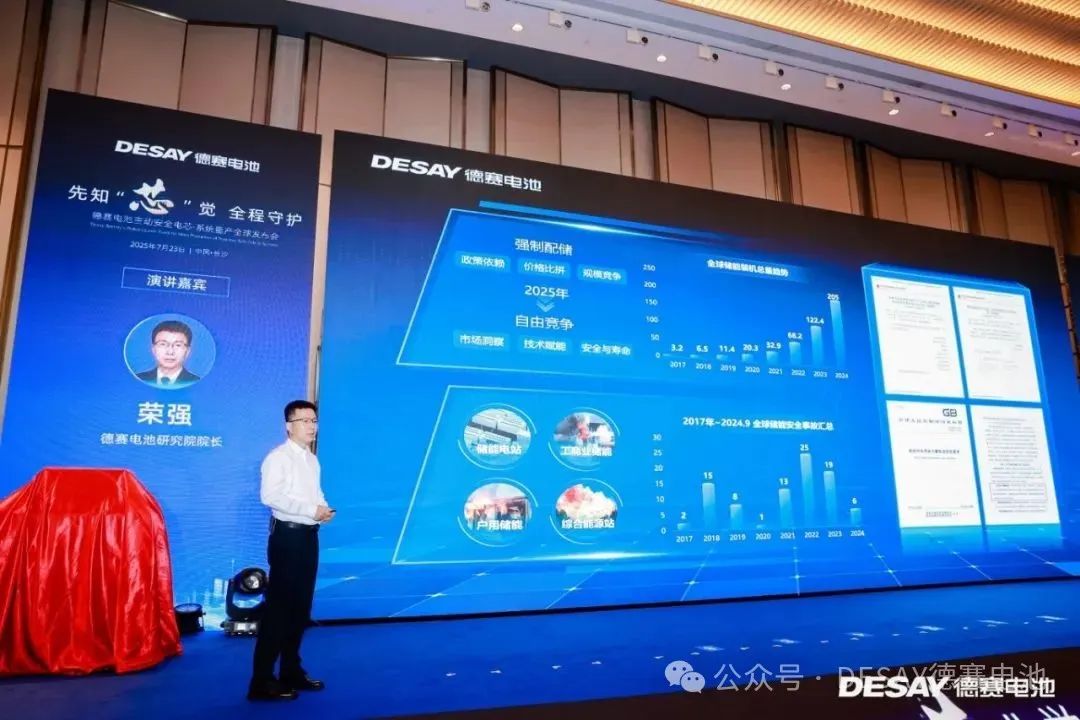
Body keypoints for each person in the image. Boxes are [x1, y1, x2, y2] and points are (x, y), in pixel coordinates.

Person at [248, 400, 334, 702]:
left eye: (314, 421)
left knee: (300, 608)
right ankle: (261, 681)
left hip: (309, 537)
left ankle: (290, 670)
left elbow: (315, 493)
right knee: (279, 610)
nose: (311, 426)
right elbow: (270, 496)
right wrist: (311, 510)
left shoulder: (311, 459)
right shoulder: (278, 458)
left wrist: (323, 509)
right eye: (304, 421)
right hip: (288, 538)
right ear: (289, 426)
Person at [135, 320, 201, 387]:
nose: (170, 352)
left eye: (178, 345)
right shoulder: (138, 380)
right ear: (153, 349)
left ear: (187, 351)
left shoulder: (198, 383)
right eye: (163, 344)